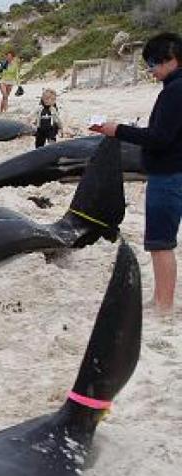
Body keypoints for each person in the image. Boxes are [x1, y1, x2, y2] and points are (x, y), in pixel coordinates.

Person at [92, 32, 182, 315]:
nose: (151, 71)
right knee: (163, 240)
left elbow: (159, 138)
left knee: (160, 242)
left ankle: (163, 304)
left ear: (171, 60)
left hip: (169, 175)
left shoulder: (174, 91)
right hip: (175, 171)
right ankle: (161, 299)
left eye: (153, 64)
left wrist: (116, 129)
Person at [0, 49, 21, 114]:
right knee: (5, 95)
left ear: (13, 57)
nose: (8, 57)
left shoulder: (15, 64)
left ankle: (1, 111)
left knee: (5, 97)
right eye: (7, 56)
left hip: (10, 82)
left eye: (10, 56)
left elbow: (16, 75)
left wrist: (19, 85)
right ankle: (6, 110)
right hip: (3, 81)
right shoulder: (4, 63)